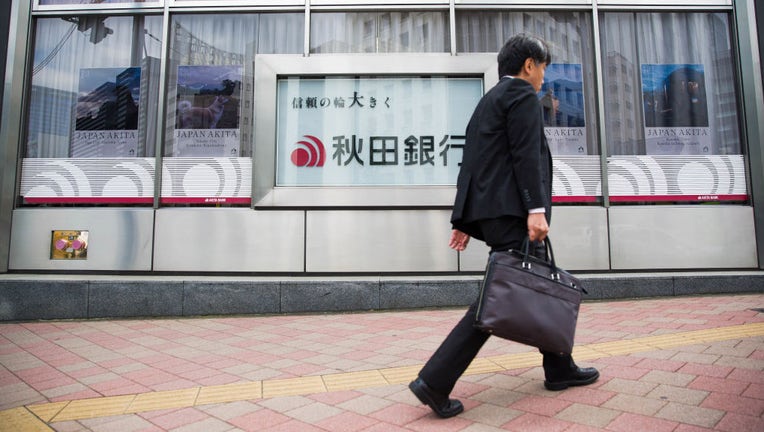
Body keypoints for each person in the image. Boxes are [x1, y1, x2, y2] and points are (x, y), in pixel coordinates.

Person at [408, 33, 599, 419]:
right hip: (516, 214)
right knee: (495, 302)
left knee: (538, 284)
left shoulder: (489, 100)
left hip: (495, 214)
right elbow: (525, 157)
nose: (545, 75)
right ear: (529, 64)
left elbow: (472, 163)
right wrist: (536, 208)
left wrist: (462, 219)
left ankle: (559, 367)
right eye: (543, 66)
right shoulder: (523, 97)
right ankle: (435, 380)